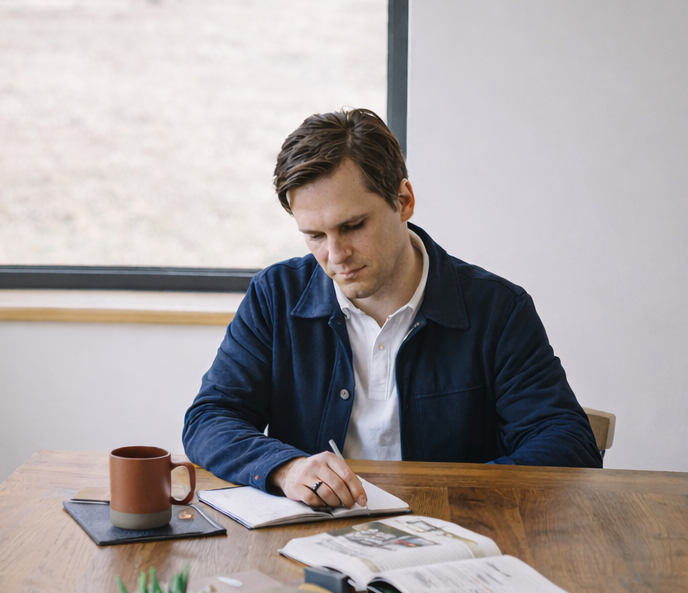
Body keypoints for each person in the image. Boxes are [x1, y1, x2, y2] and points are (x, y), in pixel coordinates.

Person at [183, 108, 601, 509]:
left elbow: (566, 442)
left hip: (453, 540)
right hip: (313, 544)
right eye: (314, 236)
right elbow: (210, 419)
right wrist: (287, 468)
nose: (335, 255)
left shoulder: (498, 310)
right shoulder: (274, 296)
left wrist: (442, 499)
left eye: (352, 226)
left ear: (403, 201)